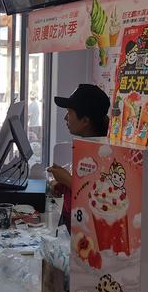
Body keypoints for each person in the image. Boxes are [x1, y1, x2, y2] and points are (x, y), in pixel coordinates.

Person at [47, 84, 110, 228]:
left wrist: (67, 179)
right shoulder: (84, 147)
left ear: (85, 121)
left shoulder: (105, 153)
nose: (65, 118)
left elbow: (98, 198)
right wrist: (63, 184)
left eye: (69, 112)